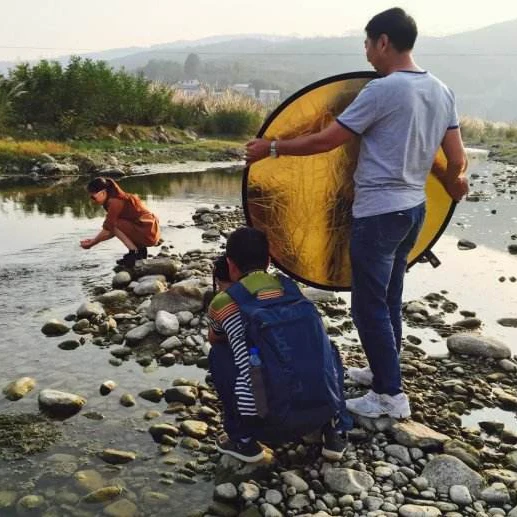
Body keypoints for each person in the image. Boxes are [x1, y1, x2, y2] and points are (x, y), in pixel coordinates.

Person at [245, 7, 468, 419]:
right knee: (390, 298)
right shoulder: (441, 90)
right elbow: (456, 158)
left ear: (383, 42)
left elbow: (326, 142)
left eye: (367, 44)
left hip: (379, 213)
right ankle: (384, 372)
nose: (366, 53)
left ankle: (389, 395)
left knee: (368, 306)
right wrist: (457, 182)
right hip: (412, 211)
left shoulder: (384, 90)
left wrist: (271, 148)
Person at [208, 227, 351, 462]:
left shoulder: (224, 302)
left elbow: (215, 338)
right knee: (328, 348)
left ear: (231, 264)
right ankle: (336, 429)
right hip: (320, 409)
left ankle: (242, 441)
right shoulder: (292, 289)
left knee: (220, 354)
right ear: (268, 260)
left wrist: (226, 290)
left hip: (267, 424)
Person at [80, 177, 161, 268]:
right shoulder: (114, 198)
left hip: (148, 233)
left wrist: (92, 244)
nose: (92, 201)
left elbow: (109, 228)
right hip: (149, 231)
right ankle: (140, 251)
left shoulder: (115, 202)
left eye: (93, 197)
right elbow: (114, 232)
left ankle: (134, 253)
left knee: (113, 224)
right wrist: (94, 240)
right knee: (114, 224)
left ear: (102, 192)